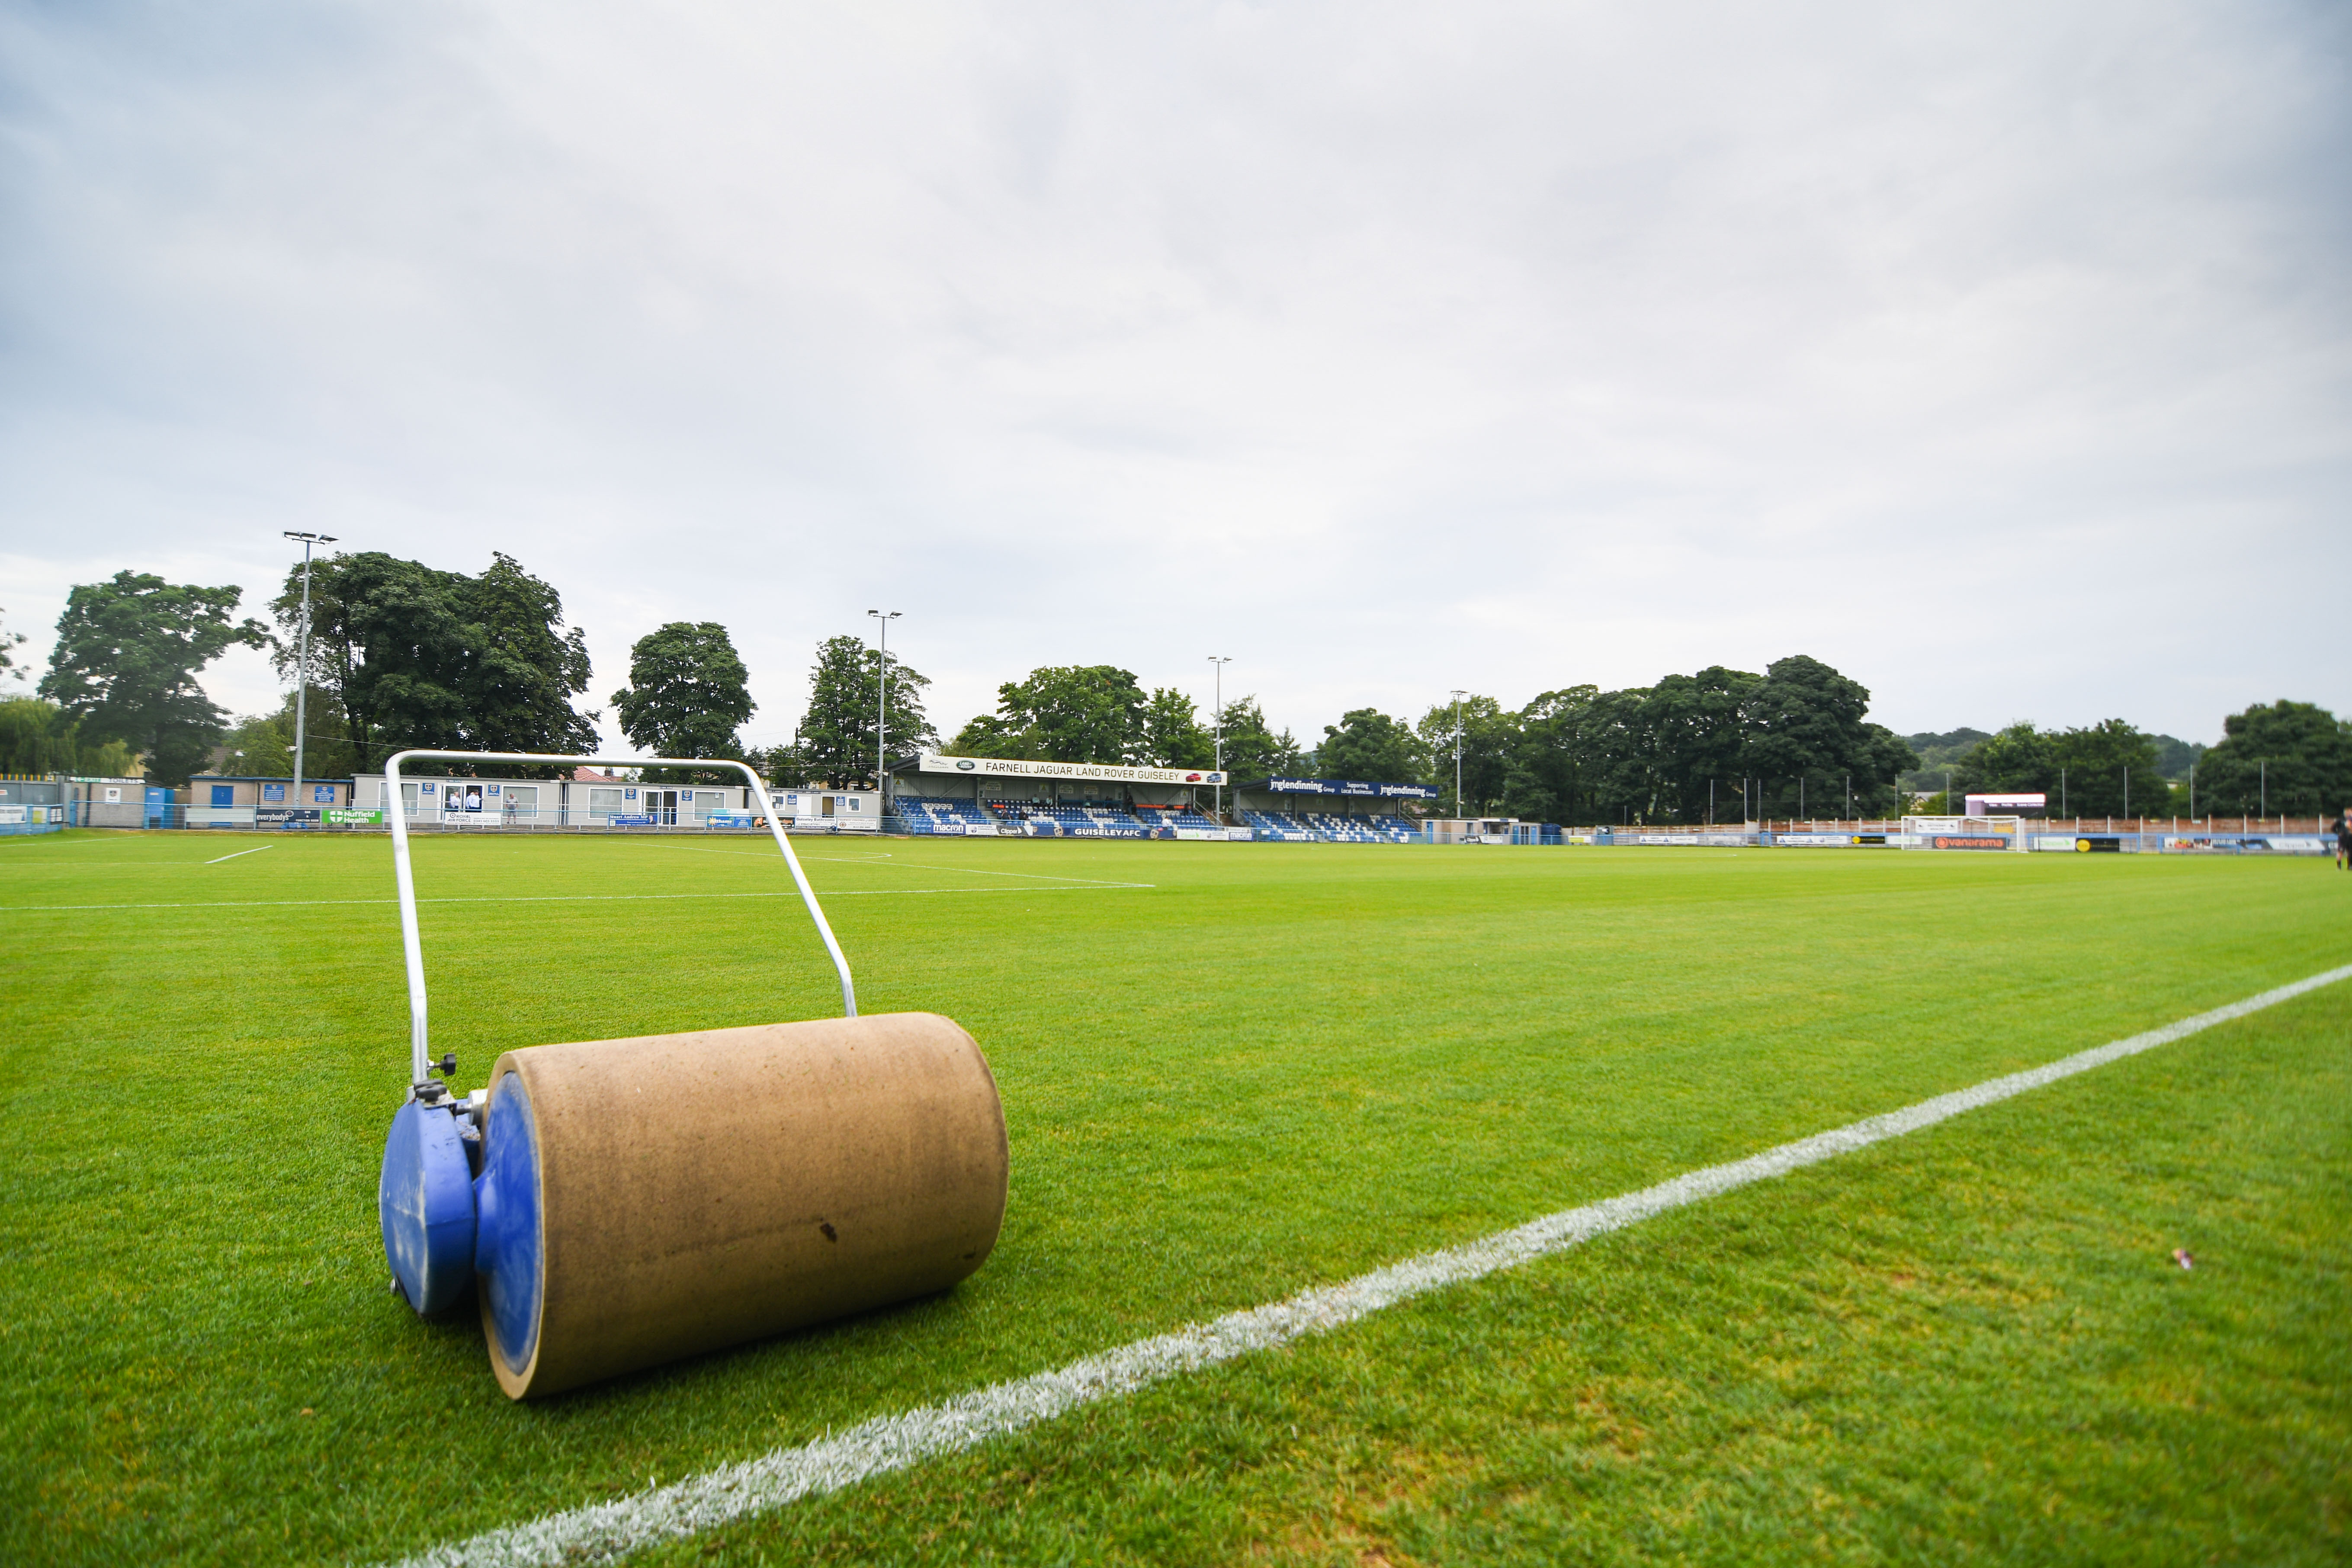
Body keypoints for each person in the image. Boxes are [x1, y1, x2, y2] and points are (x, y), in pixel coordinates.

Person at [2333, 806, 2351, 871]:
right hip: (2343, 839)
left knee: (2350, 852)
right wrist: (2339, 833)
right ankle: (2339, 866)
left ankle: (2350, 866)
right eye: (2347, 812)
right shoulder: (2340, 820)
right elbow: (2333, 828)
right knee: (2341, 851)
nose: (2349, 814)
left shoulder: (2351, 819)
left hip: (2350, 838)